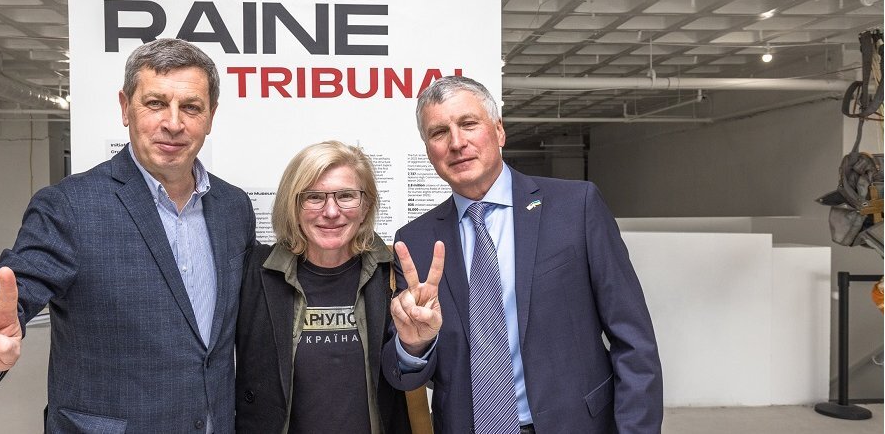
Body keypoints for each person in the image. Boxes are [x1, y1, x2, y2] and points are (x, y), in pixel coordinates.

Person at [0, 38, 255, 433]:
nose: (173, 123)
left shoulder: (233, 207)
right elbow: (16, 287)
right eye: (155, 103)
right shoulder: (70, 206)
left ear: (210, 115)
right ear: (125, 107)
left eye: (191, 107)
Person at [383, 76, 663, 433]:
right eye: (439, 133)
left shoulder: (576, 207)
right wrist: (414, 344)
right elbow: (403, 376)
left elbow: (634, 340)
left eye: (468, 124)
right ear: (428, 150)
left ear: (499, 131)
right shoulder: (415, 241)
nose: (456, 142)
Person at [236, 141, 439, 433]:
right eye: (313, 197)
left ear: (366, 206)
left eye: (346, 196)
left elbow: (404, 379)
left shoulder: (391, 275)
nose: (331, 211)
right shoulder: (256, 273)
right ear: (293, 206)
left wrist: (414, 345)